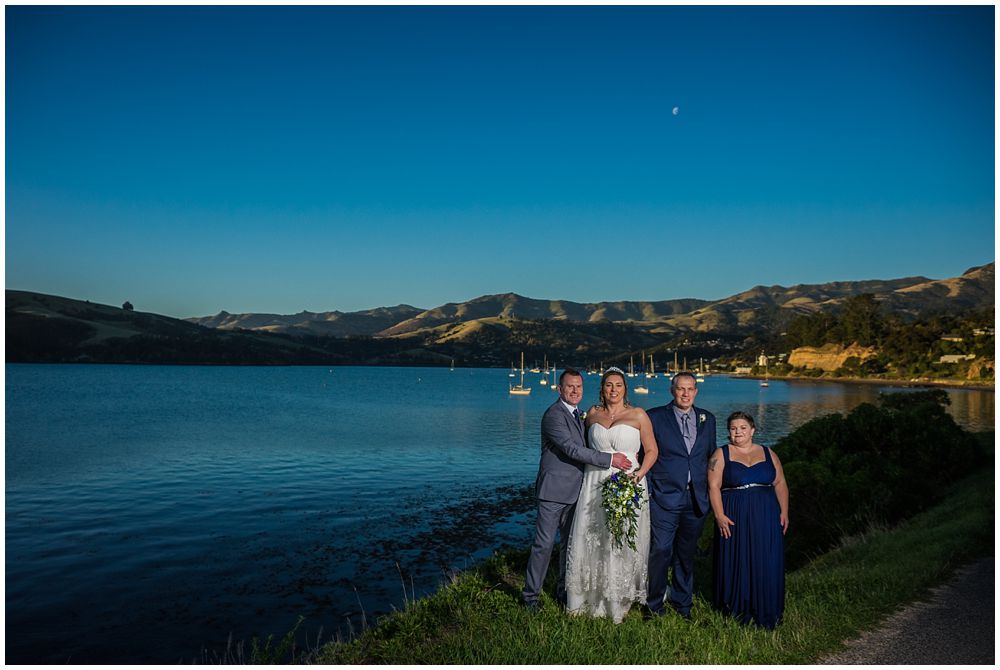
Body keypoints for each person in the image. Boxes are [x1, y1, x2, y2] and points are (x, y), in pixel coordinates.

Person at [523, 368, 633, 610]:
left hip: (578, 491)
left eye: (579, 387)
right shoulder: (553, 415)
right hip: (553, 492)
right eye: (570, 386)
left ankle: (563, 591)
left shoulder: (579, 415)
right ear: (559, 389)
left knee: (569, 545)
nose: (575, 391)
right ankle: (530, 597)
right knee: (543, 545)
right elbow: (572, 449)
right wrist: (610, 459)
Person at [564, 367, 659, 623]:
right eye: (608, 385)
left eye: (618, 385)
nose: (613, 389)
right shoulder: (592, 414)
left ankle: (619, 597)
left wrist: (638, 476)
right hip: (595, 481)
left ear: (625, 388)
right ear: (602, 388)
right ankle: (588, 595)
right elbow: (582, 448)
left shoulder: (638, 414)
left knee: (621, 537)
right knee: (594, 535)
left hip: (628, 482)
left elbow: (651, 451)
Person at [645, 371, 716, 619]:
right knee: (661, 550)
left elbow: (710, 458)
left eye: (690, 389)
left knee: (686, 555)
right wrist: (651, 489)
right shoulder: (654, 417)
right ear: (672, 390)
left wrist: (712, 492)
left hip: (695, 499)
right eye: (680, 389)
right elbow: (646, 456)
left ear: (696, 391)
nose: (685, 394)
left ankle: (682, 604)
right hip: (664, 497)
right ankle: (654, 605)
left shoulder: (709, 419)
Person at [709, 411, 789, 629]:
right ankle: (736, 609)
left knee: (766, 558)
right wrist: (719, 515)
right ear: (729, 432)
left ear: (752, 430)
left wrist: (784, 512)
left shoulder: (768, 452)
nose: (738, 432)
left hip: (767, 515)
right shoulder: (721, 453)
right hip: (734, 515)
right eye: (734, 428)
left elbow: (780, 482)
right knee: (738, 558)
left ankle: (768, 608)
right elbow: (713, 486)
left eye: (743, 428)